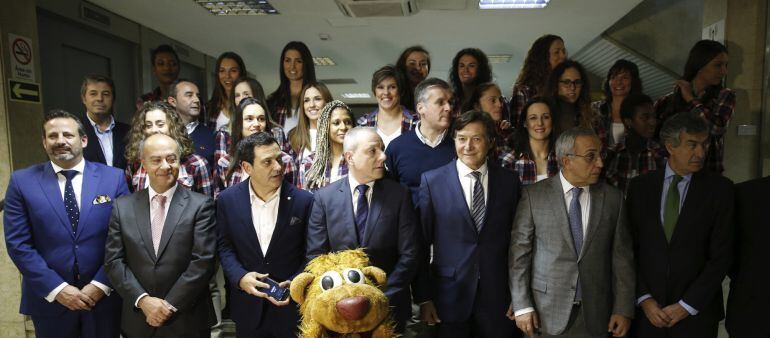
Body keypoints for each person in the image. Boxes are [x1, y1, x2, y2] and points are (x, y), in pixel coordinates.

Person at [4, 110, 129, 338]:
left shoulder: (114, 178)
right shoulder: (22, 182)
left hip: (103, 299)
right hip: (50, 301)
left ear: (83, 140)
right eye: (52, 136)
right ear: (44, 143)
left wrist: (101, 284)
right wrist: (58, 289)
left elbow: (124, 238)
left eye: (67, 135)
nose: (60, 141)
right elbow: (18, 245)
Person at [510, 127, 635, 338]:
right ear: (566, 161)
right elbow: (519, 256)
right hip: (544, 315)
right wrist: (522, 305)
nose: (600, 163)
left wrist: (623, 309)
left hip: (596, 316)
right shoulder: (534, 196)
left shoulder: (613, 199)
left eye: (600, 155)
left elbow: (622, 259)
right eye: (590, 157)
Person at [626, 112, 733, 338]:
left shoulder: (721, 190)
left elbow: (722, 255)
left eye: (704, 145)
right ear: (670, 147)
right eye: (692, 145)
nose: (701, 153)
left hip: (697, 316)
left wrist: (686, 305)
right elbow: (627, 250)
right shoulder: (639, 188)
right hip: (646, 316)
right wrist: (644, 299)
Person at [415, 111, 520, 338]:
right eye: (462, 138)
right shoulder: (432, 182)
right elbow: (421, 244)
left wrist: (520, 297)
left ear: (491, 142)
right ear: (454, 140)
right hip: (448, 297)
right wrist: (425, 298)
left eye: (477, 139)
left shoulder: (509, 182)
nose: (468, 146)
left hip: (499, 298)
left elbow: (519, 244)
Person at [307, 127, 419, 333]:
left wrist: (380, 296)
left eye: (382, 149)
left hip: (389, 308)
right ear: (350, 157)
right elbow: (316, 256)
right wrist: (340, 297)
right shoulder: (324, 198)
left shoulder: (399, 195)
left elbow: (410, 255)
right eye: (372, 151)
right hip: (339, 314)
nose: (383, 156)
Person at [105, 133, 217, 338]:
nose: (165, 166)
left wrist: (168, 305)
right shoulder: (123, 207)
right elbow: (114, 262)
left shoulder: (201, 205)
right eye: (156, 160)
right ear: (143, 164)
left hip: (186, 319)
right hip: (138, 319)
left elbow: (204, 262)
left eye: (171, 159)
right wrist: (143, 300)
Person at [216, 132, 313, 337]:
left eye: (279, 158)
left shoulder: (304, 201)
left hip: (292, 308)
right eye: (267, 162)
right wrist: (240, 277)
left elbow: (312, 251)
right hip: (248, 308)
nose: (277, 167)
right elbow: (224, 247)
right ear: (247, 168)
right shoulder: (227, 200)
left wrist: (296, 281)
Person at [654, 40, 734, 174]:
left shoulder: (724, 95)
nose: (724, 71)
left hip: (705, 172)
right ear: (699, 65)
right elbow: (655, 136)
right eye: (718, 65)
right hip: (670, 172)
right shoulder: (667, 100)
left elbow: (716, 129)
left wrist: (691, 100)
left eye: (726, 65)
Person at [385, 78, 456, 204]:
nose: (448, 108)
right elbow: (390, 195)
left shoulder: (461, 146)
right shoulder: (397, 147)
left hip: (451, 222)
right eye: (440, 102)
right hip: (410, 222)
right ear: (421, 108)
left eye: (450, 102)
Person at [125, 101, 212, 196]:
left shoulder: (196, 163)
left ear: (173, 127)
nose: (154, 130)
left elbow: (206, 206)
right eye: (148, 125)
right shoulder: (136, 163)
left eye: (160, 124)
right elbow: (131, 204)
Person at [214, 97, 294, 196]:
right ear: (239, 124)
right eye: (249, 119)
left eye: (261, 119)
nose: (256, 124)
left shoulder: (285, 161)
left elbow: (293, 201)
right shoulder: (225, 163)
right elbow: (220, 202)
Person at [726, 174, 770, 338]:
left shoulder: (743, 193)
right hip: (752, 312)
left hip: (751, 307)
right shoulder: (741, 195)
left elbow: (727, 256)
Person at [604, 94, 665, 195]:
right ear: (628, 121)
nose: (653, 122)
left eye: (654, 117)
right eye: (645, 117)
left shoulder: (661, 153)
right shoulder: (610, 155)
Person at [510, 34, 567, 127]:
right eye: (557, 52)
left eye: (564, 51)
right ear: (543, 57)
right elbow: (518, 127)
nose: (563, 56)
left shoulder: (567, 85)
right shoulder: (525, 89)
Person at [358, 65, 419, 149]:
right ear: (374, 91)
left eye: (392, 87)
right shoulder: (363, 123)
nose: (386, 92)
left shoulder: (416, 121)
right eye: (380, 87)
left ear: (400, 91)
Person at [500, 97, 558, 185]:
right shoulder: (509, 162)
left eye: (546, 117)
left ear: (552, 121)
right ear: (525, 123)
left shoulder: (563, 158)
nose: (540, 123)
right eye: (533, 118)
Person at [299, 100, 354, 191]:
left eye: (348, 122)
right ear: (325, 127)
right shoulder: (310, 162)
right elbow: (304, 199)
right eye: (336, 123)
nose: (343, 127)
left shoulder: (359, 158)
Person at [79, 74, 130, 170]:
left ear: (113, 99)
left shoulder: (129, 132)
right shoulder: (73, 131)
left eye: (106, 94)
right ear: (84, 99)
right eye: (93, 94)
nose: (100, 98)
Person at [167, 79, 216, 172]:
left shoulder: (212, 135)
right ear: (173, 101)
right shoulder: (163, 133)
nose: (197, 100)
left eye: (198, 96)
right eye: (189, 95)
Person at [592, 59, 643, 148]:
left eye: (624, 78)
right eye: (614, 77)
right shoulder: (594, 109)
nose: (618, 82)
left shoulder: (643, 113)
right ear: (608, 81)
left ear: (633, 82)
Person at [267, 41, 317, 131]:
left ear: (306, 64)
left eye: (298, 61)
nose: (292, 66)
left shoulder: (318, 99)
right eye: (288, 60)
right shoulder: (273, 101)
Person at [545, 60, 593, 141]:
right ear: (555, 84)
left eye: (577, 82)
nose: (572, 87)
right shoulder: (545, 111)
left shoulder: (590, 114)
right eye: (566, 82)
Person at [464, 82, 512, 154]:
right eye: (492, 100)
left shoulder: (506, 131)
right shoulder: (466, 134)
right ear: (477, 106)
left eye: (501, 100)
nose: (499, 105)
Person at [288, 81, 333, 159]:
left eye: (317, 99)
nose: (311, 105)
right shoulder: (293, 136)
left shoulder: (337, 133)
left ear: (327, 103)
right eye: (306, 100)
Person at [207, 52, 246, 131]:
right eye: (222, 71)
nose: (227, 76)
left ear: (241, 73)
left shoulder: (251, 106)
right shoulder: (209, 108)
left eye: (233, 71)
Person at [395, 46, 431, 111]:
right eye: (412, 63)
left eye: (423, 64)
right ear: (403, 66)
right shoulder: (394, 93)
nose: (418, 68)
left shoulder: (432, 93)